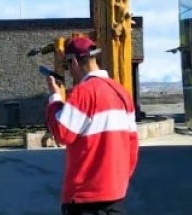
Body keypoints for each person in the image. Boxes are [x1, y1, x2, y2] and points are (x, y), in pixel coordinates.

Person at [45, 36, 139, 215]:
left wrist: (54, 98)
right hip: (115, 193)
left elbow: (61, 133)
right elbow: (132, 145)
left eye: (68, 66)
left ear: (74, 62)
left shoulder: (83, 92)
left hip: (84, 197)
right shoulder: (122, 93)